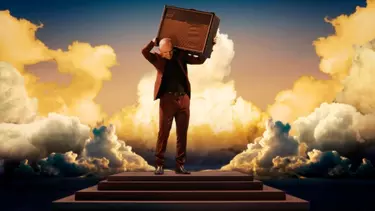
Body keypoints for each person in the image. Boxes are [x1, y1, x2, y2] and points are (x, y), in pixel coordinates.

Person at [141, 37, 210, 175]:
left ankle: (180, 166)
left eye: (169, 52)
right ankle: (159, 165)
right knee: (163, 133)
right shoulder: (157, 58)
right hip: (167, 100)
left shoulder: (181, 55)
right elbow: (144, 52)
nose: (166, 55)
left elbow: (200, 59)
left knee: (182, 134)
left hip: (184, 99)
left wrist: (209, 44)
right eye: (163, 52)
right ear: (160, 51)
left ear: (173, 48)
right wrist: (152, 42)